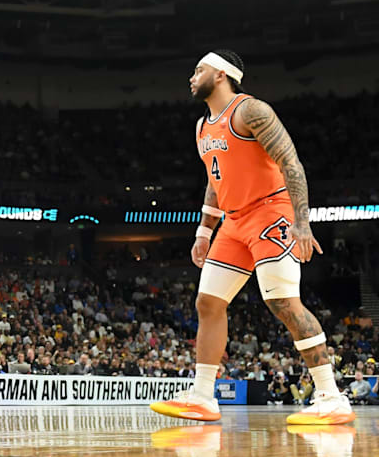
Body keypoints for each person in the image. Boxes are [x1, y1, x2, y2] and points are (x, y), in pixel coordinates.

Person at [151, 50, 353, 425]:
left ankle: (331, 397)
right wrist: (203, 231)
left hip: (270, 212)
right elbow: (215, 181)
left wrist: (302, 223)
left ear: (223, 75)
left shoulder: (251, 111)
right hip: (233, 221)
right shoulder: (201, 128)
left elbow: (291, 163)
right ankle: (202, 397)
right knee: (208, 303)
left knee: (283, 303)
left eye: (199, 70)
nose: (192, 77)